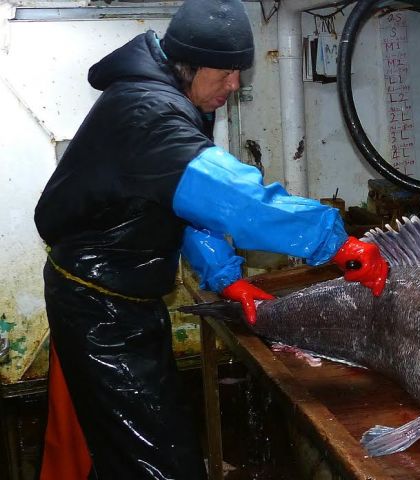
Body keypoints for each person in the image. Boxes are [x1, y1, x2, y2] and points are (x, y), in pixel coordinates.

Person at [33, 0, 388, 478]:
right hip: (98, 311)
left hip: (121, 300)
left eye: (238, 73)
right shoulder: (151, 114)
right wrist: (336, 242)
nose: (235, 85)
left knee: (127, 443)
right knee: (155, 461)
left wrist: (226, 278)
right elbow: (236, 201)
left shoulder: (175, 100)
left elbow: (182, 208)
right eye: (225, 74)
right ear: (188, 65)